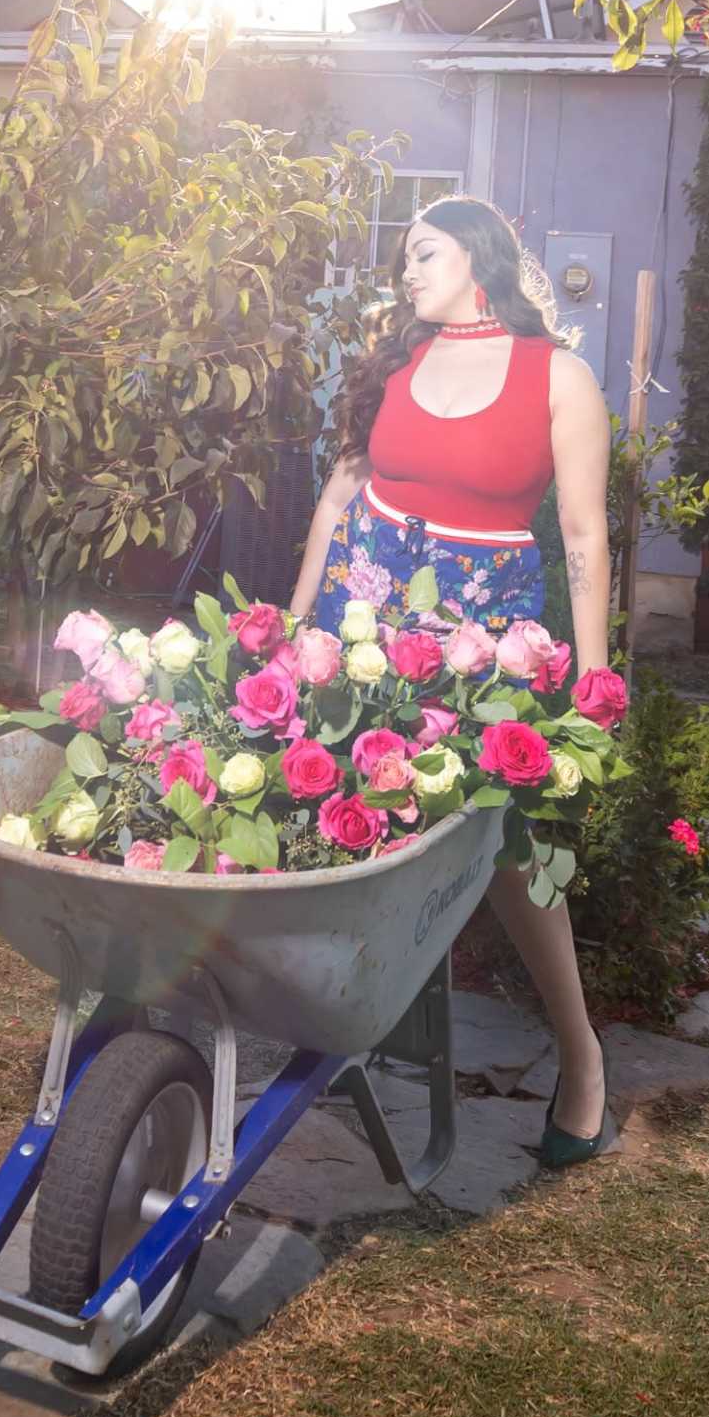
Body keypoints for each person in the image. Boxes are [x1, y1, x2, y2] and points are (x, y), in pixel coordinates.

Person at [289, 194, 622, 1165]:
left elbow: (586, 536)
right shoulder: (397, 364)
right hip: (363, 627)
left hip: (485, 648)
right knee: (332, 819)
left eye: (422, 252)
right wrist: (296, 619)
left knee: (511, 853)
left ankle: (582, 1055)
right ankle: (345, 1026)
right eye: (403, 257)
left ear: (477, 256)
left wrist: (594, 682)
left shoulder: (560, 377)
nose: (405, 270)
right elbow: (340, 495)